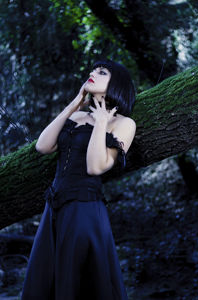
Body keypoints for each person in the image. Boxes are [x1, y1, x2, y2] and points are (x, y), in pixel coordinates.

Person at [21, 58, 137, 300]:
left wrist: (102, 121)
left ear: (117, 83)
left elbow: (95, 167)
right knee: (45, 282)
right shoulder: (77, 116)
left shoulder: (124, 123)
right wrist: (75, 104)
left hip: (85, 211)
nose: (93, 73)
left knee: (80, 284)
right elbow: (43, 146)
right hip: (53, 209)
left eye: (102, 71)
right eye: (93, 70)